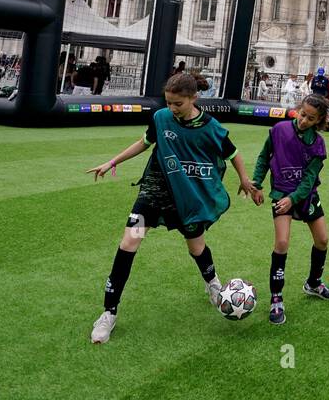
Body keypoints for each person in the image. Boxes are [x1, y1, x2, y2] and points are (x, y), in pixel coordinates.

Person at [86, 72, 260, 344]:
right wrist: (112, 162)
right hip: (154, 191)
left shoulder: (211, 127)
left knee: (196, 248)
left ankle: (213, 283)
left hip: (187, 197)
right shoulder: (161, 118)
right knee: (129, 243)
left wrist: (245, 179)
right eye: (168, 102)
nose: (172, 108)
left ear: (194, 98)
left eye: (177, 103)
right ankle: (108, 313)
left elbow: (232, 153)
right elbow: (145, 143)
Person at [250, 95, 329, 325]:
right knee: (281, 243)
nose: (304, 120)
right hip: (280, 193)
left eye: (310, 118)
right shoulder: (278, 130)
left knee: (323, 240)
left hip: (305, 196)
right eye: (302, 114)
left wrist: (294, 198)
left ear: (318, 121)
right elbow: (263, 158)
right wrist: (257, 184)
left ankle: (314, 283)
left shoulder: (318, 144)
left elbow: (310, 180)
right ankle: (276, 298)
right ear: (297, 110)